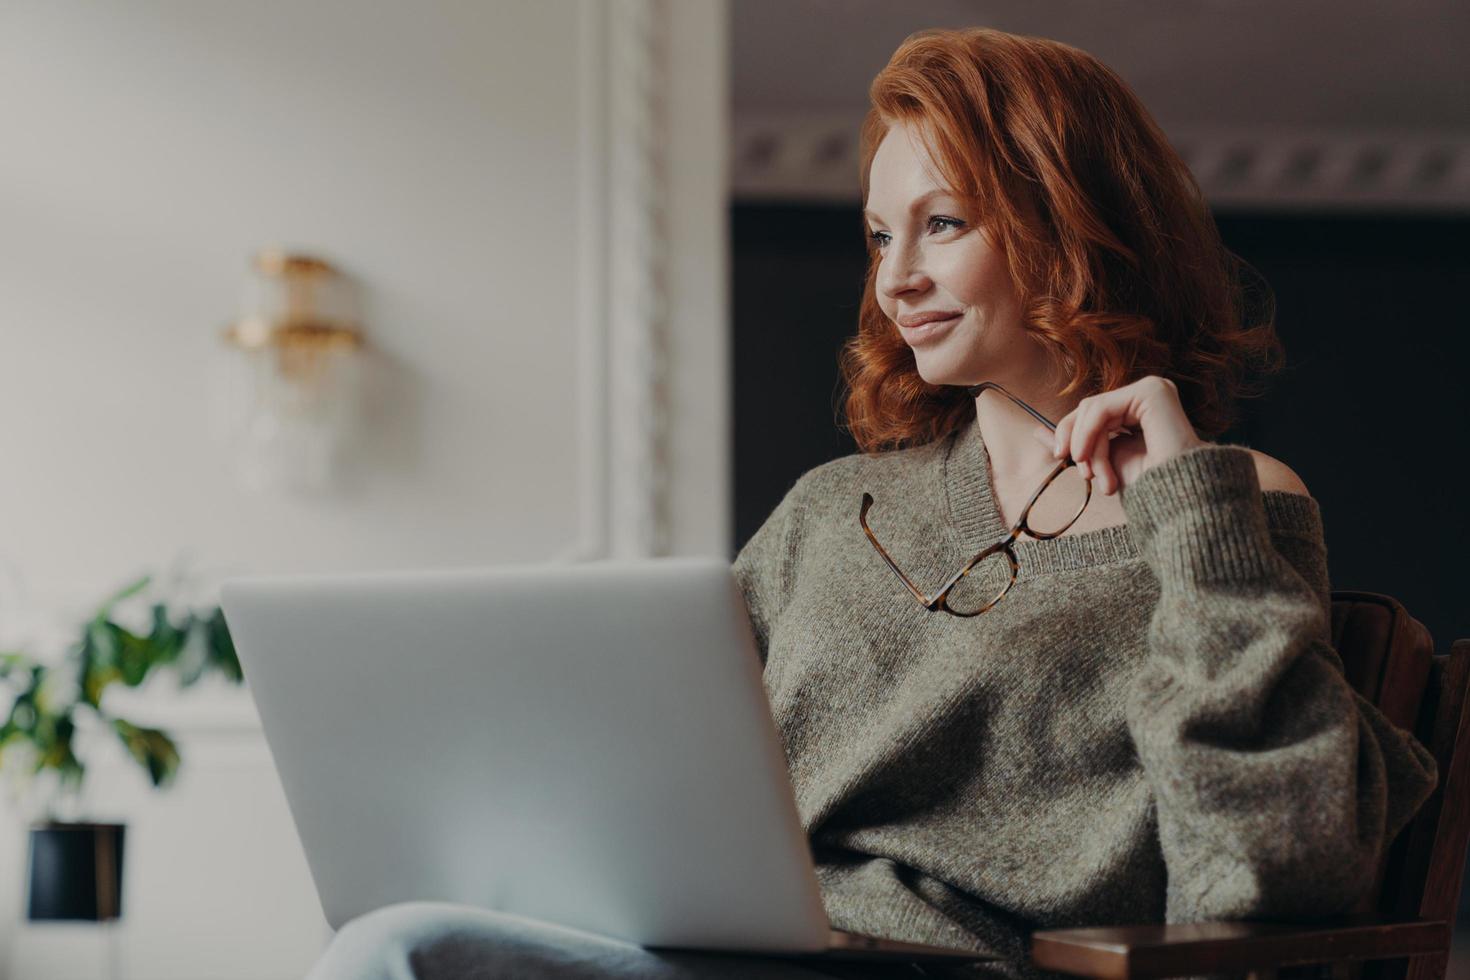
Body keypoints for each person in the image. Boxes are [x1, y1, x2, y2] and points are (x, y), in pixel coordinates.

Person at [304, 26, 1438, 980]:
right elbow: (660, 785)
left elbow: (1271, 863)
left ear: (1070, 218)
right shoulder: (830, 506)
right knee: (398, 938)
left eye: (942, 224)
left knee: (402, 951)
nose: (895, 279)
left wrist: (1190, 500)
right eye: (880, 234)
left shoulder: (1227, 505)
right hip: (722, 953)